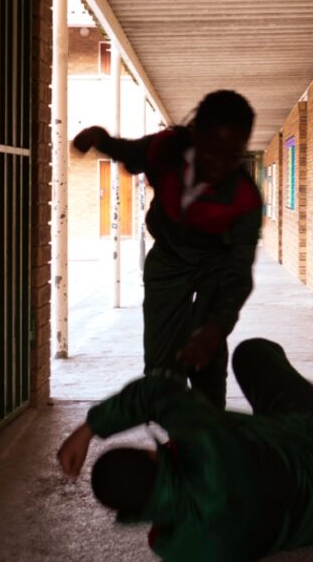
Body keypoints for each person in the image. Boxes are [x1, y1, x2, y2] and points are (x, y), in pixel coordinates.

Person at [57, 338, 313, 562]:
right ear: (152, 455)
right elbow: (157, 392)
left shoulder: (180, 550)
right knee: (253, 353)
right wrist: (88, 429)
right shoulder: (204, 439)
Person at [72, 90, 263, 409]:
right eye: (212, 151)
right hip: (169, 259)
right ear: (195, 135)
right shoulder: (166, 149)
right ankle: (166, 414)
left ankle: (208, 420)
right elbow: (128, 152)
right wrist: (98, 137)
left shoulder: (244, 198)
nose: (220, 165)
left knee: (206, 352)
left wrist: (215, 329)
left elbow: (239, 273)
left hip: (215, 264)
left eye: (232, 156)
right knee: (161, 362)